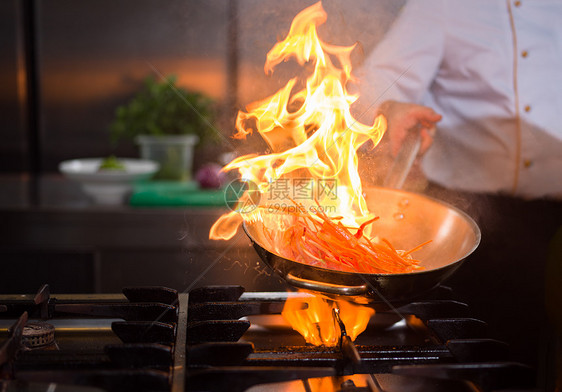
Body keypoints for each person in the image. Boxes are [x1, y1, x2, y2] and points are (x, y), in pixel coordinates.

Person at [357, 0, 562, 389]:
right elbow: (372, 83)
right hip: (463, 229)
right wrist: (389, 107)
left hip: (554, 225)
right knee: (461, 369)